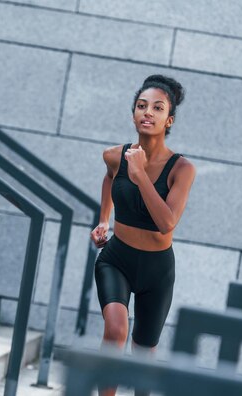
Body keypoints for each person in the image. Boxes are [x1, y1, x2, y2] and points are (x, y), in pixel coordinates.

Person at [90, 74, 196, 396]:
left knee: (144, 354)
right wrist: (103, 219)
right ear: (134, 113)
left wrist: (139, 175)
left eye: (157, 108)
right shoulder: (114, 155)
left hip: (156, 269)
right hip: (116, 258)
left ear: (169, 120)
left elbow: (167, 222)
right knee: (115, 330)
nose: (147, 112)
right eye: (141, 106)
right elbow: (110, 177)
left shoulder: (182, 169)